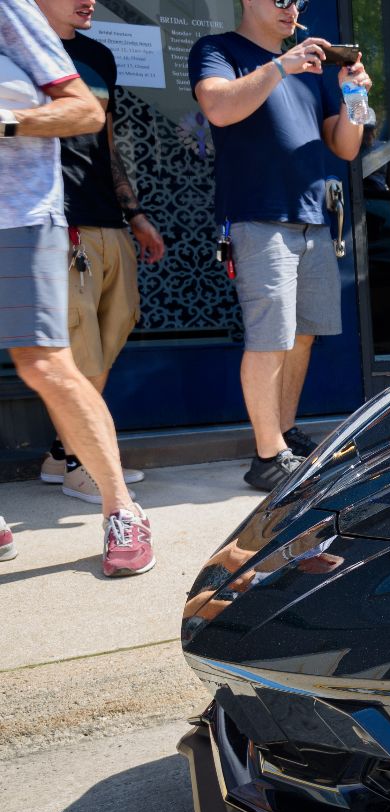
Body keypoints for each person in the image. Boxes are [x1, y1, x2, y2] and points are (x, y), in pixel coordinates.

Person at [191, 0, 371, 491]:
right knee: (270, 337)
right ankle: (267, 457)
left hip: (314, 218)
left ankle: (283, 437)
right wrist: (280, 66)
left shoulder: (312, 69)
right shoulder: (218, 50)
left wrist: (355, 98)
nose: (292, 8)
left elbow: (346, 146)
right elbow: (219, 107)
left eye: (298, 1)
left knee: (302, 334)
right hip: (257, 215)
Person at [1, 0, 152, 575]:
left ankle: (121, 507)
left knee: (48, 363)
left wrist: (7, 121)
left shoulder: (13, 14)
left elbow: (88, 114)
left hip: (20, 215)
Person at [36, 0, 165, 502]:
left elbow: (106, 144)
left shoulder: (98, 56)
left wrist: (134, 213)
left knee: (111, 334)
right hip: (54, 221)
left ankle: (59, 450)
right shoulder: (15, 53)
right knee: (78, 347)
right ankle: (80, 463)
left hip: (107, 219)